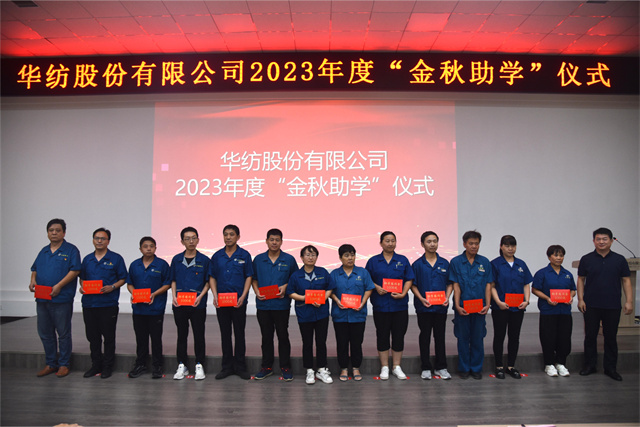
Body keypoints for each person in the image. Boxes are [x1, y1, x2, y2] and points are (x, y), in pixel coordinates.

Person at [577, 227, 632, 381]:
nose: (601, 242)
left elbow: (626, 281)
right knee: (590, 336)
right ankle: (590, 365)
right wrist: (580, 299)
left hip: (612, 305)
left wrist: (629, 301)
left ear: (611, 241)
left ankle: (610, 368)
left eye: (604, 239)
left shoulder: (620, 260)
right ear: (594, 241)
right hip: (591, 304)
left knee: (611, 337)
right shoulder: (586, 259)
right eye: (598, 239)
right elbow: (581, 279)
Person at [29, 219, 81, 378]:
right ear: (47, 233)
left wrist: (59, 286)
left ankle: (64, 364)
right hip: (42, 298)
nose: (54, 233)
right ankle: (51, 363)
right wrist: (32, 280)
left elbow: (75, 271)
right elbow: (35, 269)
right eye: (51, 230)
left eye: (58, 230)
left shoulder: (71, 250)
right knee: (45, 332)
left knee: (63, 333)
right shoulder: (43, 251)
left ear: (64, 233)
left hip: (61, 299)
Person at [365, 231, 415, 380]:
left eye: (393, 240)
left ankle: (396, 366)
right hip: (380, 305)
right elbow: (367, 279)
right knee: (382, 335)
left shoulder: (402, 259)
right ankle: (385, 367)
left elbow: (409, 279)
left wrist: (404, 293)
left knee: (399, 335)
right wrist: (376, 287)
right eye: (387, 241)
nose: (390, 243)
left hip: (399, 305)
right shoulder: (373, 261)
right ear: (381, 243)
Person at [80, 227, 127, 379]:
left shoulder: (116, 258)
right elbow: (82, 278)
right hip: (89, 304)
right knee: (92, 337)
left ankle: (107, 366)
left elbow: (123, 278)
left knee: (108, 337)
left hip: (108, 304)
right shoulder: (87, 259)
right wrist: (82, 287)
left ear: (108, 241)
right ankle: (95, 365)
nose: (99, 241)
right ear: (93, 240)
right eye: (97, 238)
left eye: (103, 238)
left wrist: (112, 287)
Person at [252, 228, 299, 381]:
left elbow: (295, 279)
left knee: (283, 336)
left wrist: (285, 286)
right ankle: (266, 367)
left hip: (281, 305)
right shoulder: (258, 259)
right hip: (263, 305)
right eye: (271, 239)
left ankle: (285, 366)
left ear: (281, 242)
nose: (274, 242)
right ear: (266, 241)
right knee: (266, 337)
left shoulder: (289, 259)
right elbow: (253, 279)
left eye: (277, 240)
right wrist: (256, 291)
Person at [208, 224, 253, 380]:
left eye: (231, 234)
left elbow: (249, 276)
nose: (228, 237)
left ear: (238, 237)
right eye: (226, 234)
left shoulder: (244, 255)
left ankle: (240, 367)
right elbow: (212, 277)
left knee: (239, 334)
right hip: (222, 302)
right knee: (225, 334)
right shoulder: (217, 256)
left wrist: (243, 296)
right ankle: (226, 367)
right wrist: (215, 296)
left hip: (239, 302)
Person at [287, 245, 335, 385]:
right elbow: (290, 292)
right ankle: (309, 370)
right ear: (302, 258)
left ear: (317, 257)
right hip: (304, 313)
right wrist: (305, 298)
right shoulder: (296, 275)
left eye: (313, 255)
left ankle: (322, 369)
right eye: (307, 255)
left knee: (321, 342)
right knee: (307, 342)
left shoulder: (323, 272)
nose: (310, 257)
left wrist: (323, 298)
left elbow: (330, 288)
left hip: (321, 313)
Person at [449, 230, 493, 380]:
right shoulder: (456, 262)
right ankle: (464, 368)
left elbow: (488, 285)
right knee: (462, 339)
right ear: (464, 244)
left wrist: (487, 304)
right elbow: (456, 285)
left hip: (480, 307)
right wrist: (457, 305)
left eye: (477, 243)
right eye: (471, 243)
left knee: (478, 338)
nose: (474, 246)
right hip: (463, 307)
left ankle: (476, 368)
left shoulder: (484, 262)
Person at [126, 236, 171, 379]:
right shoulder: (134, 265)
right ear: (140, 249)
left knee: (156, 339)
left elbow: (167, 284)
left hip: (155, 308)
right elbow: (129, 283)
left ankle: (157, 366)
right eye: (145, 246)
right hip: (139, 309)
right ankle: (140, 364)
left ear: (156, 248)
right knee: (141, 338)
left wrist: (154, 294)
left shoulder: (162, 265)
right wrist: (134, 293)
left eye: (151, 246)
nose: (149, 249)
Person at [411, 231, 453, 380]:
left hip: (441, 307)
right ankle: (426, 367)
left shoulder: (444, 263)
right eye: (429, 241)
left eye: (435, 241)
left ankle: (441, 367)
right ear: (422, 244)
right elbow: (413, 285)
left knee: (440, 337)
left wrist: (447, 297)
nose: (432, 244)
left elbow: (450, 283)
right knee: (425, 336)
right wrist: (421, 298)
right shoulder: (417, 264)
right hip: (424, 307)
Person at [490, 235, 532, 379]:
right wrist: (498, 302)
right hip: (501, 307)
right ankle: (499, 366)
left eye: (513, 246)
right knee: (499, 336)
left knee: (514, 336)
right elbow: (492, 286)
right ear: (501, 247)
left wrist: (527, 301)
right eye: (507, 246)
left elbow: (526, 284)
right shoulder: (495, 264)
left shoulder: (521, 264)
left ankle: (511, 366)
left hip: (518, 307)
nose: (510, 249)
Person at [170, 226, 210, 380]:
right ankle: (182, 365)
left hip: (197, 304)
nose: (191, 241)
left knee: (199, 334)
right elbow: (173, 280)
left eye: (193, 238)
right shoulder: (176, 259)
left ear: (198, 240)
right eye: (187, 239)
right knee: (182, 334)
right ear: (182, 241)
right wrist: (174, 296)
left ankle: (199, 364)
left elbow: (208, 281)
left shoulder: (204, 260)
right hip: (179, 304)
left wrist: (201, 296)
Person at [330, 244, 375, 382]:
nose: (350, 258)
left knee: (357, 342)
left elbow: (369, 288)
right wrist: (337, 300)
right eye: (346, 255)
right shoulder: (334, 274)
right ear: (340, 258)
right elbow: (330, 291)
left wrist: (363, 302)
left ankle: (356, 367)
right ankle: (343, 368)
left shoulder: (363, 272)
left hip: (358, 314)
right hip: (340, 315)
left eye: (352, 255)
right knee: (342, 342)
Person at [531, 245, 576, 377]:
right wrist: (547, 298)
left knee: (564, 338)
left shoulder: (567, 274)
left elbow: (573, 289)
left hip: (565, 311)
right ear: (549, 257)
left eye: (561, 255)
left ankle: (561, 363)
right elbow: (535, 289)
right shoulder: (542, 273)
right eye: (556, 255)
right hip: (548, 311)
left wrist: (570, 297)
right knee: (548, 338)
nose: (559, 258)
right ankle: (549, 364)